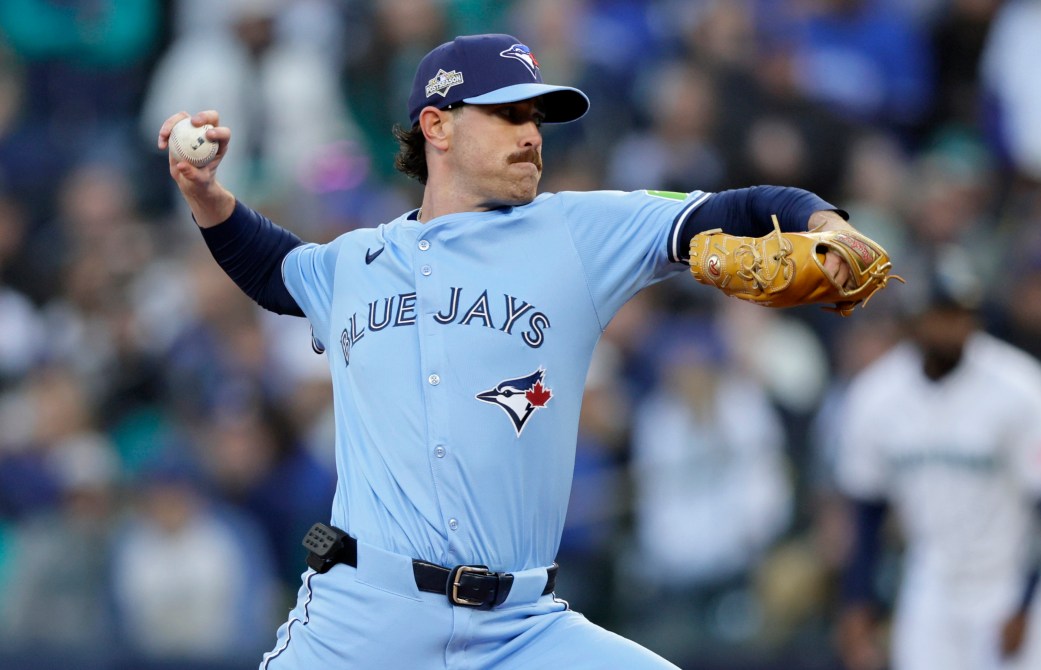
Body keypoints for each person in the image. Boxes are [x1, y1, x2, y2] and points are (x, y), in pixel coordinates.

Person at [158, 33, 864, 669]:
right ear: (436, 125)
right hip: (360, 622)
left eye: (536, 118)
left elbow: (732, 208)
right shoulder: (354, 262)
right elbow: (275, 269)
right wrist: (206, 194)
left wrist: (822, 219)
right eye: (507, 114)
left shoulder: (579, 232)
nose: (531, 134)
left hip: (521, 632)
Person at [833, 256, 1041, 670]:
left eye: (961, 315)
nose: (952, 327)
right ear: (914, 320)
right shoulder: (876, 396)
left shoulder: (1022, 389)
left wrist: (1029, 602)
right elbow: (867, 513)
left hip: (1010, 578)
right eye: (941, 315)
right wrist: (858, 603)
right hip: (932, 580)